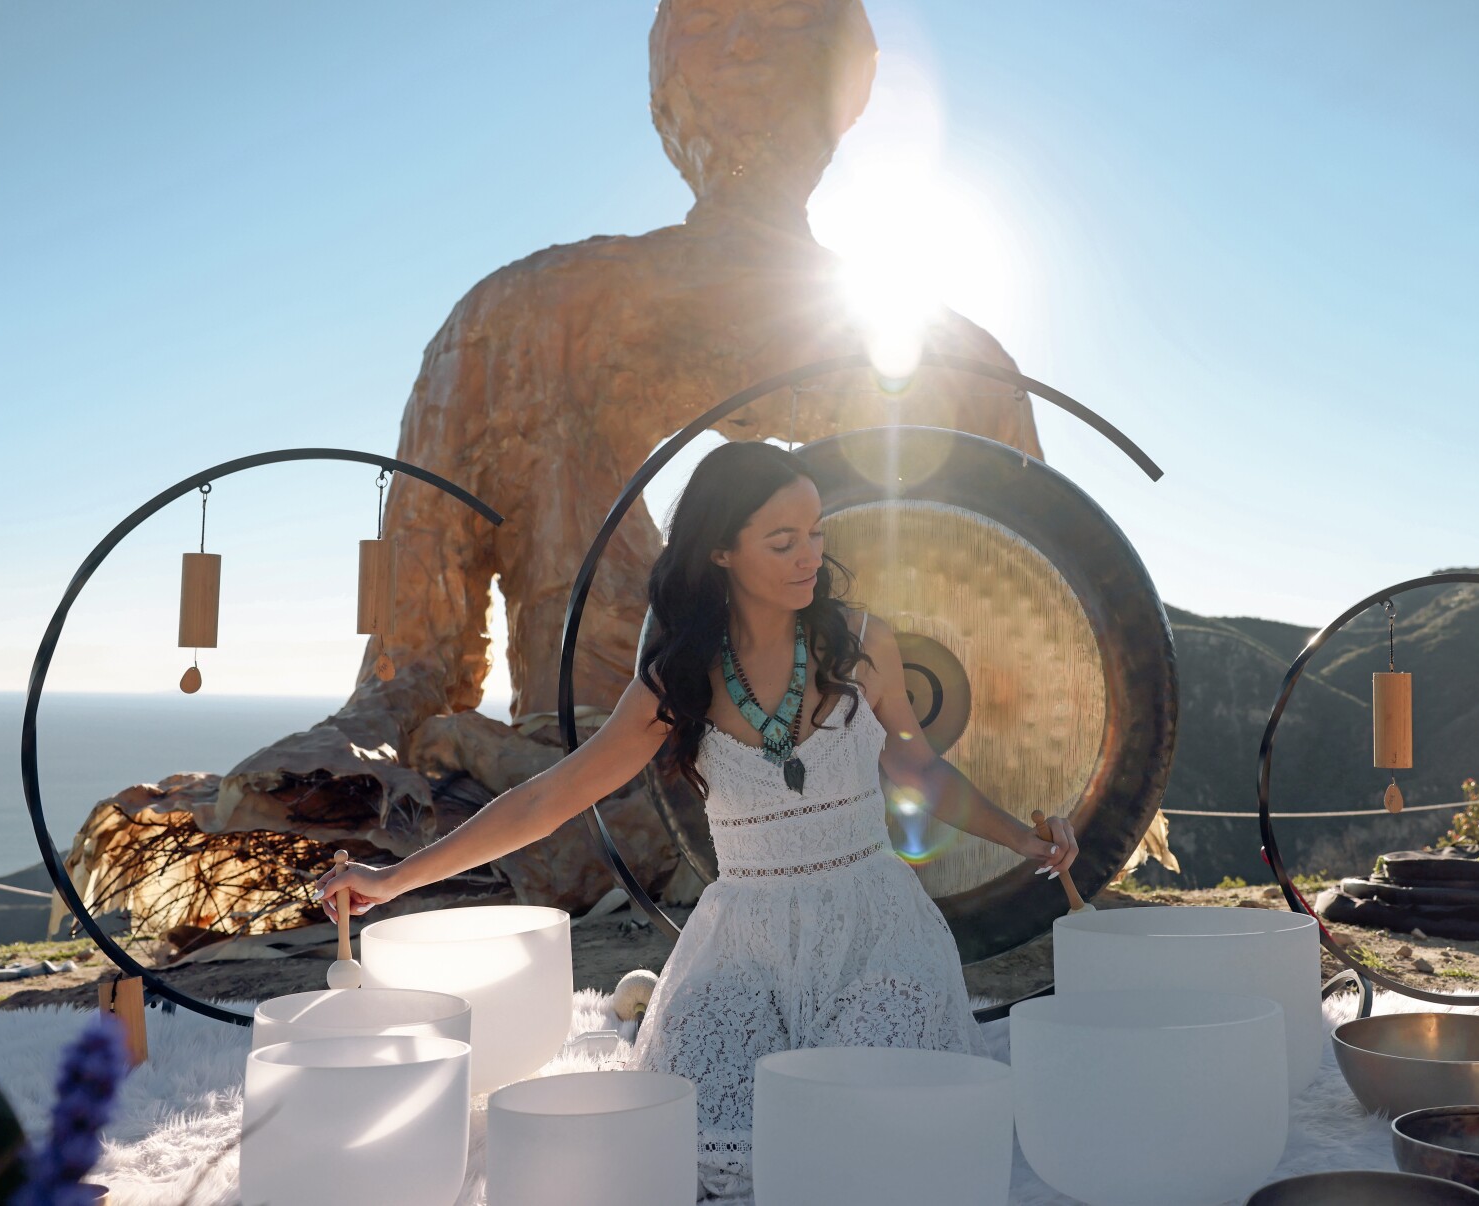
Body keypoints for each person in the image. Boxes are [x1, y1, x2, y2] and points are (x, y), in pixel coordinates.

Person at [318, 441, 1078, 1197]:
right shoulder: (677, 679)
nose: (810, 555)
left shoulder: (862, 642)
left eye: (815, 533)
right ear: (720, 551)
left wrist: (1028, 840)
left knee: (870, 1137)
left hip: (874, 928)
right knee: (709, 1146)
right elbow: (549, 797)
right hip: (741, 942)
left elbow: (918, 768)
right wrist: (393, 879)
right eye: (783, 541)